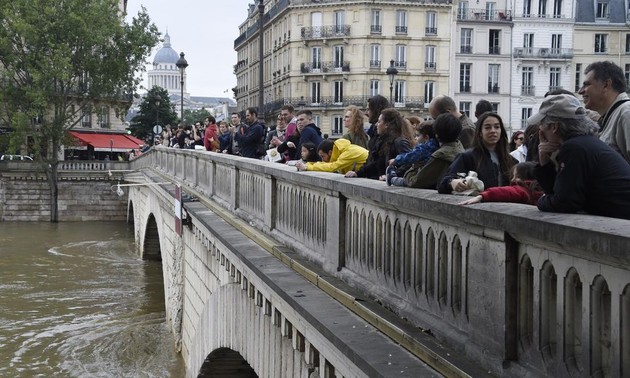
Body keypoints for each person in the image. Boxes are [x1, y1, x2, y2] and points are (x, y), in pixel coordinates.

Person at [528, 94, 630, 219]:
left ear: (554, 127)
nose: (540, 130)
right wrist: (544, 162)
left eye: (542, 124)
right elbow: (559, 194)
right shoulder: (584, 144)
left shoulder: (574, 148)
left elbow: (564, 203)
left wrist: (541, 201)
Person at [438, 112, 516, 194]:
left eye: (497, 127)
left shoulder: (511, 161)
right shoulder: (467, 157)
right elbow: (443, 183)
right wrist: (452, 182)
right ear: (480, 132)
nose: (493, 131)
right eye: (487, 127)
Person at [389, 114, 464, 188]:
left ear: (437, 134)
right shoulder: (459, 148)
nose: (416, 138)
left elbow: (416, 181)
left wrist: (414, 167)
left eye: (418, 135)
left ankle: (392, 179)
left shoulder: (440, 155)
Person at [578, 61, 630, 164]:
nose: (580, 91)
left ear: (606, 85)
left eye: (587, 84)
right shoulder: (614, 115)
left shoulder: (626, 113)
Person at [345, 108, 413, 180]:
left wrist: (392, 175)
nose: (376, 124)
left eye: (379, 121)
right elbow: (376, 164)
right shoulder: (384, 142)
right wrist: (357, 173)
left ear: (386, 125)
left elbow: (408, 163)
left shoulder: (399, 142)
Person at [459, 162, 543, 205]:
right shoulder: (539, 190)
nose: (513, 180)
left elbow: (507, 192)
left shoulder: (523, 190)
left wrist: (483, 196)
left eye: (517, 176)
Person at [295, 138, 368, 174]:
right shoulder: (342, 150)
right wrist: (309, 164)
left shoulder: (348, 152)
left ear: (330, 152)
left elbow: (332, 167)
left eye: (323, 156)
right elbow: (327, 164)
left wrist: (307, 167)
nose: (322, 160)